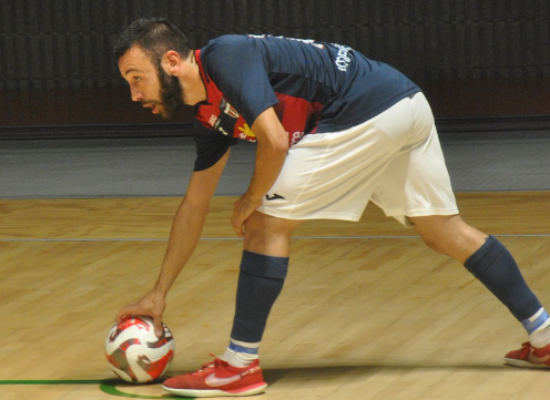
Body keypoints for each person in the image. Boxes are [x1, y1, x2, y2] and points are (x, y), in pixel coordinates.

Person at [114, 17, 550, 398]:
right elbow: (194, 205)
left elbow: (275, 140)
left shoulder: (225, 56)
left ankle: (239, 365)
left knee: (263, 223)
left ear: (172, 61)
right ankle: (545, 336)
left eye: (137, 77)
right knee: (444, 231)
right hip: (402, 100)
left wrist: (250, 198)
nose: (134, 94)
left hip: (362, 105)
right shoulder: (209, 119)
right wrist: (159, 292)